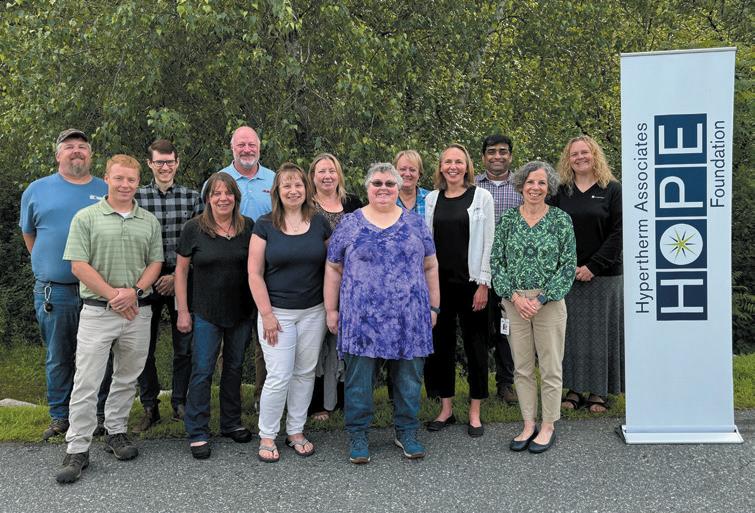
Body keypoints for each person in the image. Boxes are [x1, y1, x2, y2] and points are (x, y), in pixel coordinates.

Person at [55, 155, 163, 483]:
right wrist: (115, 296)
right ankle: (77, 447)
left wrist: (135, 291)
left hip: (137, 311)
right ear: (107, 179)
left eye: (131, 179)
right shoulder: (86, 217)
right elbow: (78, 265)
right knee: (87, 381)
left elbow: (155, 263)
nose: (125, 185)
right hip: (98, 311)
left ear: (138, 182)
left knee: (127, 377)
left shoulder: (148, 221)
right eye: (119, 178)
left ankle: (116, 432)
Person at [324, 162, 440, 464]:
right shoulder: (350, 223)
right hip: (361, 319)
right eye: (377, 183)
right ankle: (358, 434)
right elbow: (333, 267)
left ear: (399, 187)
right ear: (367, 187)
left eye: (390, 183)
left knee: (409, 381)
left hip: (409, 317)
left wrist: (434, 306)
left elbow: (430, 266)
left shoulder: (415, 223)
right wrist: (331, 309)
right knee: (359, 382)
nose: (384, 188)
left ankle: (407, 431)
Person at [20, 129, 109, 441]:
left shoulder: (106, 189)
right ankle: (61, 417)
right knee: (59, 355)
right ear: (58, 155)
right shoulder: (37, 190)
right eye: (69, 146)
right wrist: (50, 265)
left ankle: (98, 415)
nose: (76, 151)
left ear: (90, 155)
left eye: (82, 146)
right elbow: (29, 234)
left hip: (98, 290)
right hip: (55, 290)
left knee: (99, 355)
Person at [491, 161, 576, 454]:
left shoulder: (561, 220)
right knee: (523, 368)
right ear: (521, 186)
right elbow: (497, 262)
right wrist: (515, 298)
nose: (535, 188)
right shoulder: (507, 220)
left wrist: (541, 299)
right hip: (514, 302)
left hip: (548, 303)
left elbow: (568, 265)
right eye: (530, 182)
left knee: (550, 366)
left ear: (548, 187)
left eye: (541, 182)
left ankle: (548, 425)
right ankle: (528, 424)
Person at [248, 163, 331, 463]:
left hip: (313, 312)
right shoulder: (264, 225)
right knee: (279, 375)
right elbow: (254, 273)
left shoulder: (319, 223)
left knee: (304, 373)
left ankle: (295, 431)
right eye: (287, 186)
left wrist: (331, 308)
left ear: (306, 189)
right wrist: (267, 314)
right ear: (277, 191)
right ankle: (267, 434)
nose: (293, 191)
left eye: (298, 185)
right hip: (277, 314)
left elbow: (333, 267)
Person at [175, 172, 256, 460]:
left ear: (236, 197)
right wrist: (183, 311)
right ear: (208, 198)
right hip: (205, 311)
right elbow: (181, 271)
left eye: (228, 193)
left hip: (241, 311)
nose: (223, 198)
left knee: (234, 367)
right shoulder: (194, 228)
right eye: (216, 193)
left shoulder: (248, 227)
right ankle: (197, 430)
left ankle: (231, 422)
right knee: (202, 370)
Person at [424, 144, 494, 438]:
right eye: (447, 162)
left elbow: (489, 241)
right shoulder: (431, 199)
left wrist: (484, 283)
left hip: (472, 285)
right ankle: (446, 409)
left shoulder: (482, 197)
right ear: (440, 167)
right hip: (439, 286)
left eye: (458, 162)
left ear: (467, 167)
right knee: (442, 347)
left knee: (476, 347)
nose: (453, 166)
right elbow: (427, 243)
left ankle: (475, 411)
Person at [551, 136, 623, 413]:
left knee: (601, 334)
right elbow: (552, 230)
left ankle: (599, 391)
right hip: (569, 274)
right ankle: (574, 389)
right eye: (574, 154)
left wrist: (594, 266)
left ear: (595, 155)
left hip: (604, 275)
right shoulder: (561, 192)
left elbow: (618, 232)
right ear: (567, 160)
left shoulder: (612, 189)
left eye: (585, 152)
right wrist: (567, 266)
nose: (580, 157)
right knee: (571, 335)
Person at [132, 139, 201, 432]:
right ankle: (149, 406)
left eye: (169, 161)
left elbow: (200, 241)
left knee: (184, 344)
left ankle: (180, 402)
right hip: (144, 279)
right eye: (159, 162)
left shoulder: (191, 198)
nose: (164, 167)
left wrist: (177, 277)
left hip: (182, 277)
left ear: (177, 163)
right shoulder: (136, 197)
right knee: (141, 347)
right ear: (149, 164)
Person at [217, 125, 276, 412]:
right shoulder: (220, 181)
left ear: (259, 147)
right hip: (229, 272)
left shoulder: (274, 180)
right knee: (230, 342)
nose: (247, 149)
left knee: (266, 337)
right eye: (241, 145)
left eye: (251, 144)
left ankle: (263, 398)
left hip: (268, 273)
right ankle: (230, 400)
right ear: (232, 148)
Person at [307, 153, 362, 422]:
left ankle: (341, 400)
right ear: (313, 176)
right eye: (321, 171)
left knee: (345, 343)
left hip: (351, 284)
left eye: (332, 170)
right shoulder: (306, 205)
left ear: (339, 174)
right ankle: (317, 403)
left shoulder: (353, 203)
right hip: (315, 281)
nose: (327, 176)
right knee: (318, 345)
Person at [475, 134, 522, 405]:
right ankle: (478, 385)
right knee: (479, 331)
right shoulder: (471, 186)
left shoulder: (521, 186)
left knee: (507, 330)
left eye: (503, 151)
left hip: (510, 271)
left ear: (510, 156)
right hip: (477, 271)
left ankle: (506, 383)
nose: (497, 156)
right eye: (491, 151)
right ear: (483, 157)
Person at [395, 150, 430, 216]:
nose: (407, 174)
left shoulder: (430, 198)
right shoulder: (387, 199)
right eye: (403, 169)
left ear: (419, 173)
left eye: (412, 170)